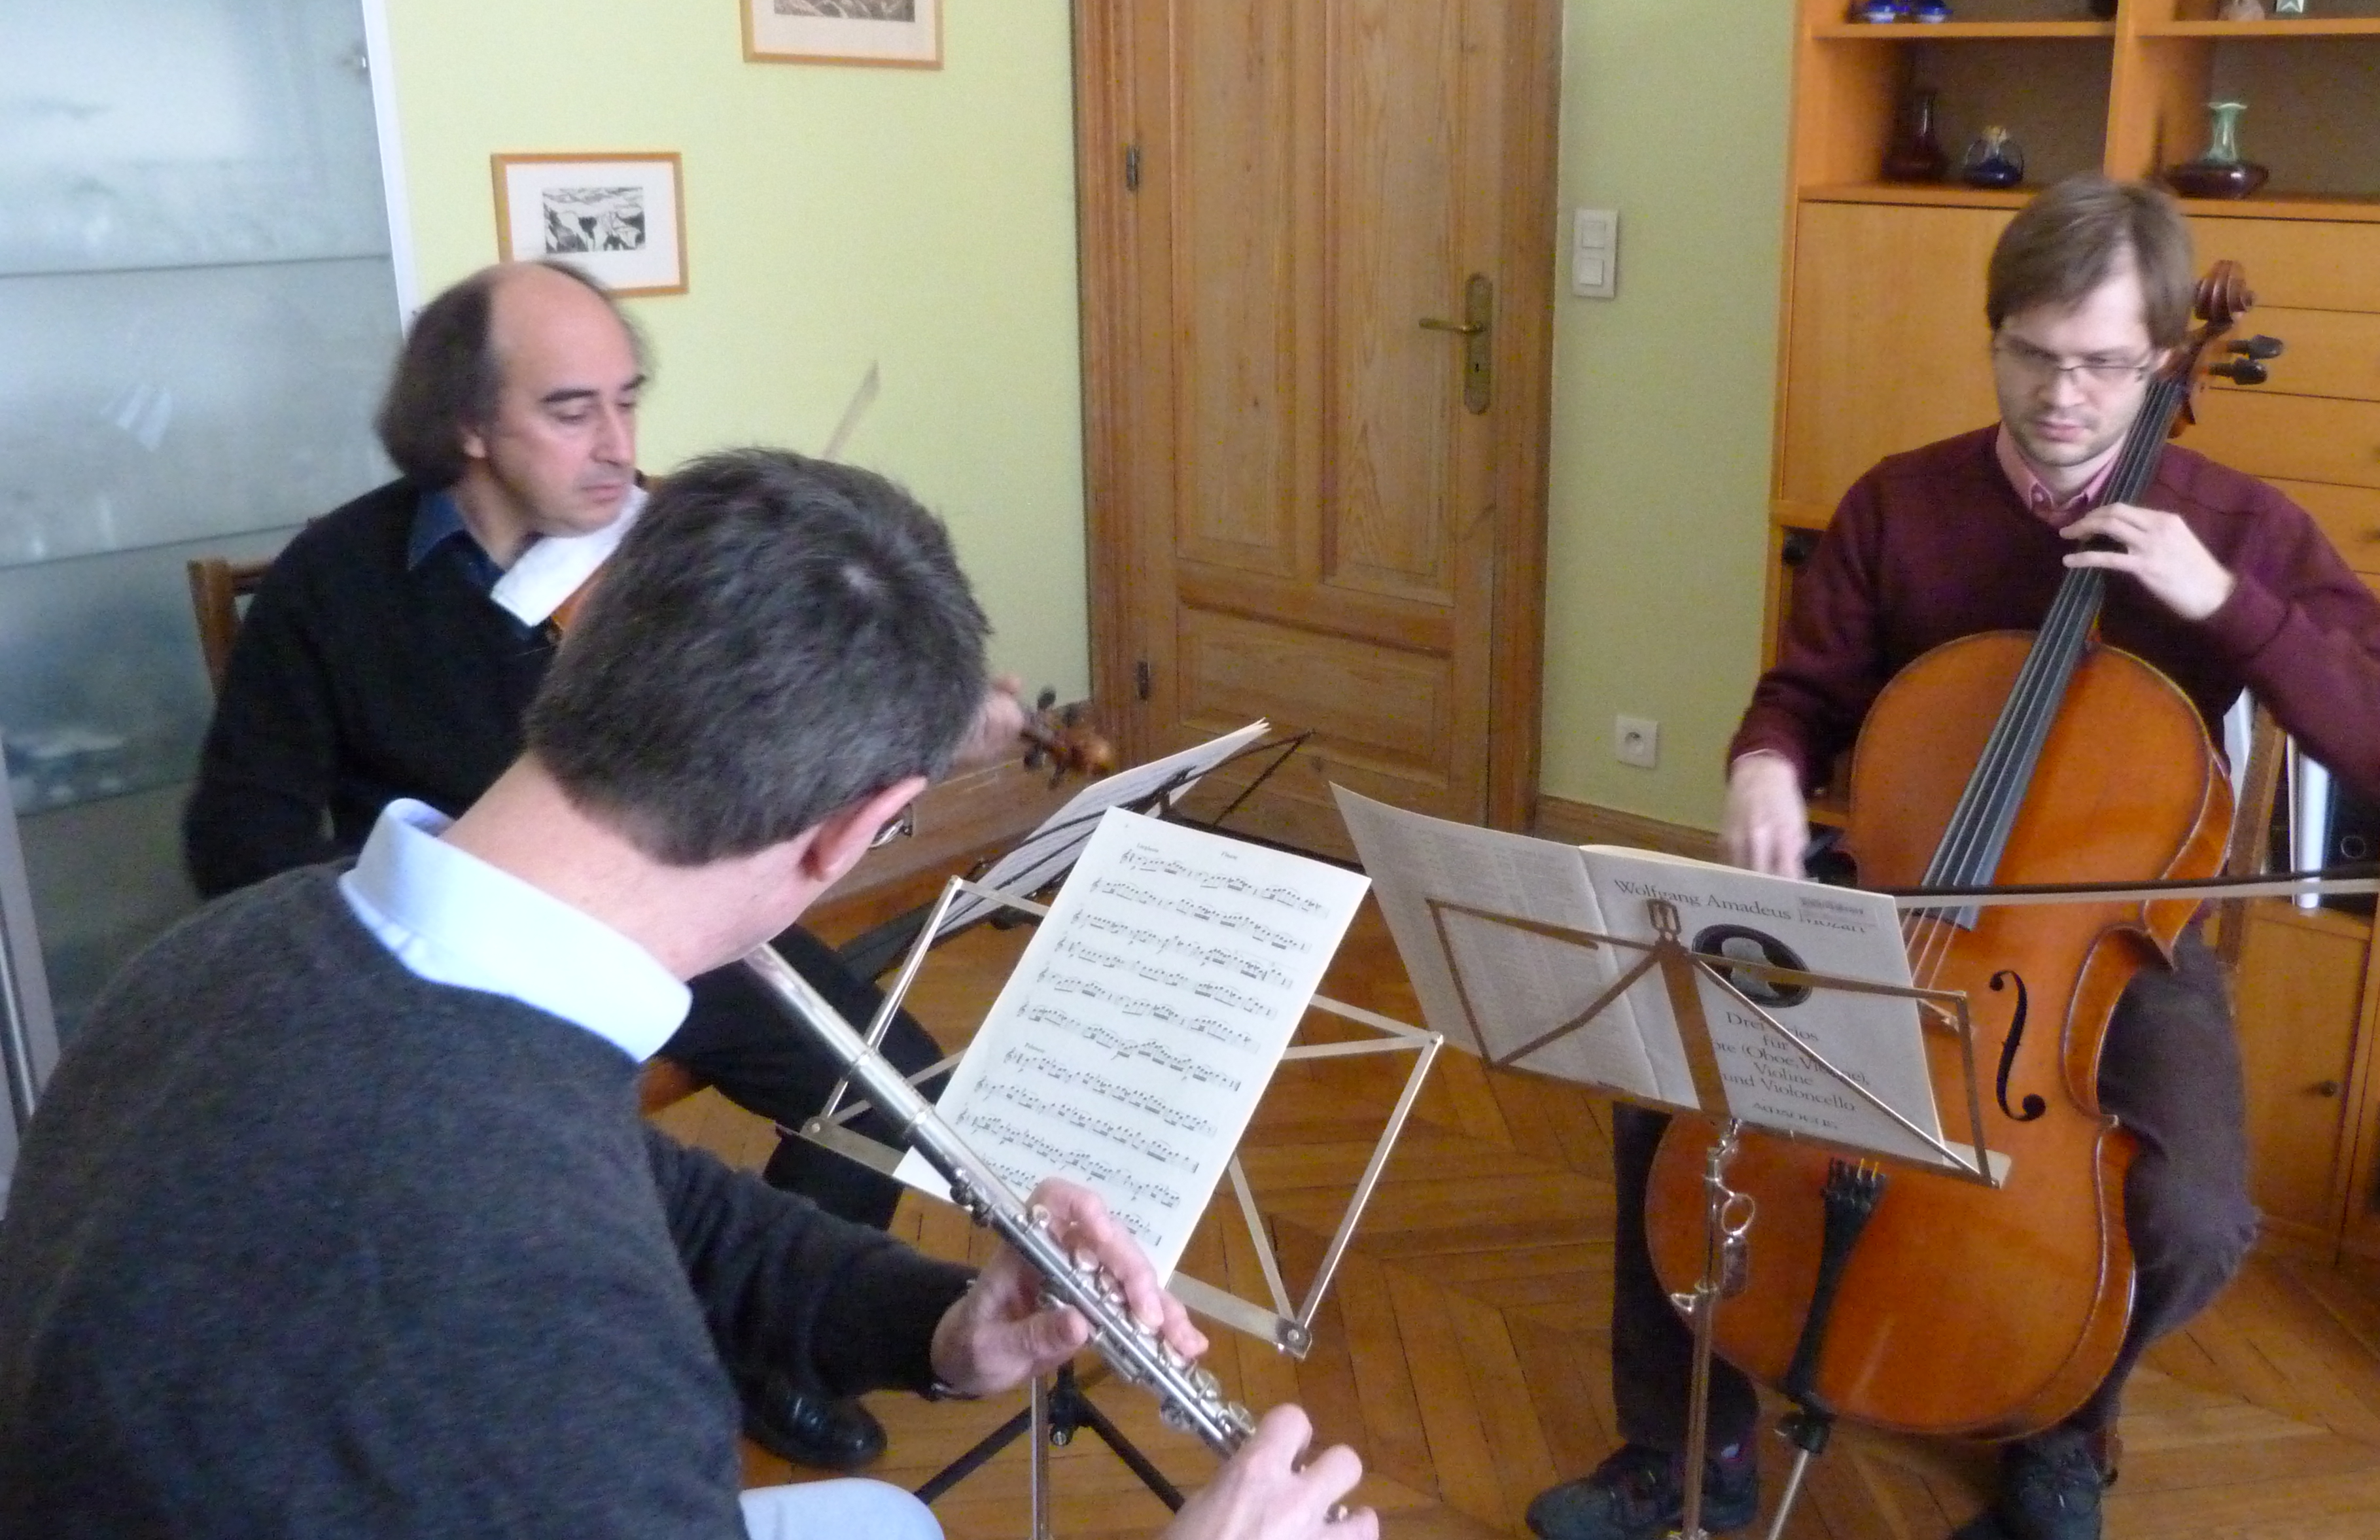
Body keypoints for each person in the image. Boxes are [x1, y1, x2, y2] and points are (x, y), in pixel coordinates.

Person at [0, 449, 1378, 1540]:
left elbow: (662, 1206)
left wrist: (940, 1326)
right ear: (859, 829)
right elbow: (541, 1270)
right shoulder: (558, 1344)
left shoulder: (249, 947)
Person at [1526, 177, 2380, 1540]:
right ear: (1995, 334)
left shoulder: (2241, 530)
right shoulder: (1902, 505)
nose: (2064, 395)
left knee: (2194, 1215)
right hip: (1897, 905)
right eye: (2033, 352)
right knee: (1671, 1090)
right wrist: (1765, 762)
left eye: (2105, 364)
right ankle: (1687, 1447)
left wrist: (2224, 603)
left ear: (2164, 359)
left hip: (2114, 948)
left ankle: (2061, 1421)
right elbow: (1805, 693)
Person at [180, 258, 1022, 1470]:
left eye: (629, 402)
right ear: (469, 425)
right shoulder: (337, 580)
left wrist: (918, 722)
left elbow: (764, 765)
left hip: (667, 912)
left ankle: (757, 1352)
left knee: (891, 1083)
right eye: (572, 412)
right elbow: (239, 834)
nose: (620, 448)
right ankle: (632, 1339)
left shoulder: (664, 558)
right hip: (450, 970)